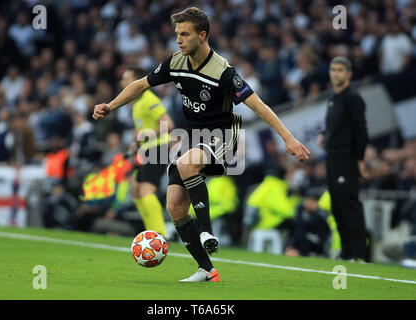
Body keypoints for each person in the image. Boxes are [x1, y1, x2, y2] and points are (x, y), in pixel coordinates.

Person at [93, 7, 310, 282]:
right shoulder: (175, 62)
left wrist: (288, 138)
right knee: (174, 206)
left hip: (221, 136)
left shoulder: (224, 72)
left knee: (186, 163)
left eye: (185, 34)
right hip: (193, 136)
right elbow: (140, 84)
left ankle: (206, 230)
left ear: (202, 35)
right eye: (177, 34)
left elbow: (259, 107)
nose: (179, 40)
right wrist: (110, 106)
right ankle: (207, 270)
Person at [317, 56, 369, 262]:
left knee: (350, 205)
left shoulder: (353, 98)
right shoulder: (333, 98)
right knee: (337, 205)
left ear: (349, 74)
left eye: (340, 70)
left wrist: (360, 160)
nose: (336, 73)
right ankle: (347, 252)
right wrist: (324, 135)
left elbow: (361, 130)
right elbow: (335, 126)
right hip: (332, 158)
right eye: (333, 69)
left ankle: (360, 254)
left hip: (347, 158)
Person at [119, 66, 174, 237]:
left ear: (136, 81)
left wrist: (145, 134)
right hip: (148, 149)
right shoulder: (136, 103)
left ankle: (160, 234)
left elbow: (168, 124)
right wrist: (135, 145)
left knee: (145, 190)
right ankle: (152, 232)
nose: (122, 82)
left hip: (159, 148)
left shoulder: (149, 98)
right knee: (136, 190)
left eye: (126, 78)